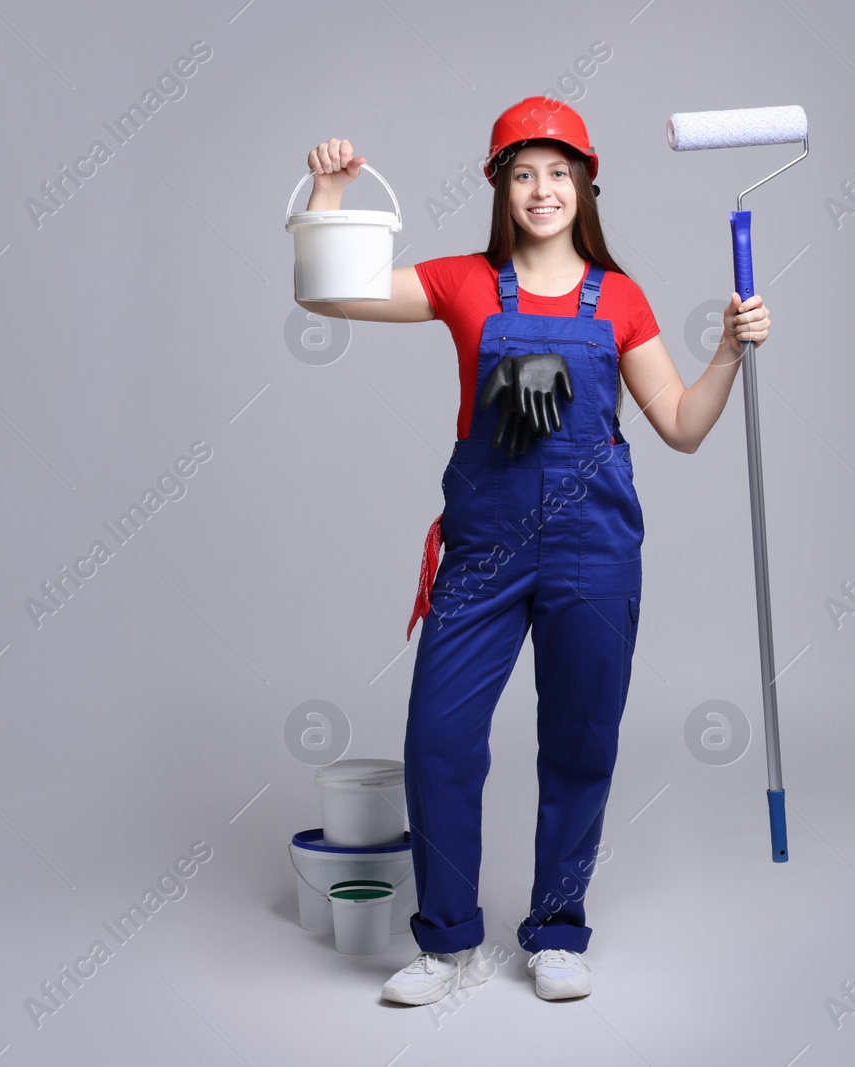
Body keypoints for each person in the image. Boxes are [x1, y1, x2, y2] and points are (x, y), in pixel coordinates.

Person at [293, 97, 770, 1005]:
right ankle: (447, 943)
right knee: (437, 740)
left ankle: (556, 928)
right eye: (523, 173)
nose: (541, 189)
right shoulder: (462, 283)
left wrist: (728, 354)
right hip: (483, 553)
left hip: (593, 551)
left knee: (579, 743)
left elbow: (681, 425)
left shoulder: (620, 298)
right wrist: (327, 193)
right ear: (500, 187)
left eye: (557, 172)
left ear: (584, 182)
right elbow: (327, 290)